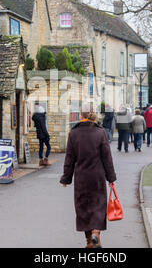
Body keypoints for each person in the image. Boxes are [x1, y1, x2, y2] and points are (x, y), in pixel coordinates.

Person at [60, 105, 117, 248]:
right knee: (98, 206)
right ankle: (96, 233)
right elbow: (107, 157)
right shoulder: (101, 132)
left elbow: (70, 158)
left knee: (83, 208)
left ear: (81, 115)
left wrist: (66, 178)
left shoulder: (73, 133)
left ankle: (89, 241)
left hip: (82, 177)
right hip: (97, 176)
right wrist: (111, 177)